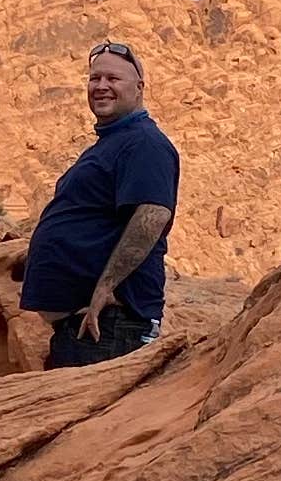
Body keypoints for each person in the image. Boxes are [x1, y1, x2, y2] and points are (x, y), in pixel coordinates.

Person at [21, 40, 180, 368]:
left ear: (139, 88)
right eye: (95, 78)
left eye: (113, 78)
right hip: (90, 328)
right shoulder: (111, 144)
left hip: (110, 325)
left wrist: (106, 287)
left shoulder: (144, 142)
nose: (101, 86)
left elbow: (152, 214)